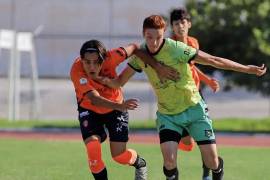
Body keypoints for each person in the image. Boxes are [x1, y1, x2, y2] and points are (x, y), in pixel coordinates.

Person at [96, 15, 267, 180]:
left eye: (159, 37)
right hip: (168, 115)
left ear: (164, 34)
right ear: (143, 34)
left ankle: (216, 169)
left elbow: (213, 60)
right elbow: (119, 82)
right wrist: (99, 78)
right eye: (149, 37)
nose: (154, 42)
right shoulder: (139, 56)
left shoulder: (176, 48)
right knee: (169, 163)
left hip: (194, 110)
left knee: (212, 162)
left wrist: (247, 69)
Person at [70, 39, 179, 180]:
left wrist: (157, 66)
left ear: (104, 59)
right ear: (81, 60)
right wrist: (121, 106)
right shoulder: (76, 71)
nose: (91, 67)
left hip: (115, 108)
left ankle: (140, 163)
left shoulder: (112, 56)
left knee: (119, 156)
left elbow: (134, 47)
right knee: (93, 149)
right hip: (90, 109)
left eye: (96, 62)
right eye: (87, 62)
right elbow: (94, 99)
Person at [170, 8, 220, 180]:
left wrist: (207, 80)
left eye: (183, 22)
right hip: (176, 99)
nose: (180, 26)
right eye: (176, 24)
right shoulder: (169, 46)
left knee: (203, 139)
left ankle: (207, 173)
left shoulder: (193, 42)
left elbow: (191, 66)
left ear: (189, 24)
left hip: (195, 95)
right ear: (172, 27)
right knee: (186, 144)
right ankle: (187, 141)